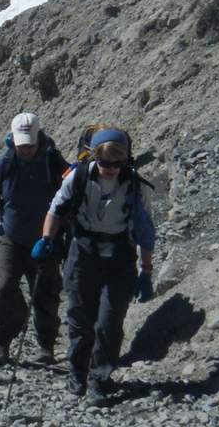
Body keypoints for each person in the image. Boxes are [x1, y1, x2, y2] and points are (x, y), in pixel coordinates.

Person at [34, 128, 156, 406]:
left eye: (117, 163)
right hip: (83, 252)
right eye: (104, 162)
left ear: (126, 160)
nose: (111, 168)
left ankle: (99, 379)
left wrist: (146, 271)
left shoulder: (136, 186)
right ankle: (78, 374)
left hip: (120, 257)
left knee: (110, 322)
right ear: (94, 157)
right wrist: (46, 240)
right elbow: (56, 209)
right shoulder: (77, 178)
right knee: (80, 318)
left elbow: (145, 231)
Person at [0, 113, 70, 367]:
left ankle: (46, 346)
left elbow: (71, 193)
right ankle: (0, 343)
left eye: (30, 144)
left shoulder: (52, 161)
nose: (26, 149)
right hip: (11, 238)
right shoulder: (3, 164)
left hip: (47, 238)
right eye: (21, 145)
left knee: (47, 292)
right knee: (3, 288)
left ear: (38, 137)